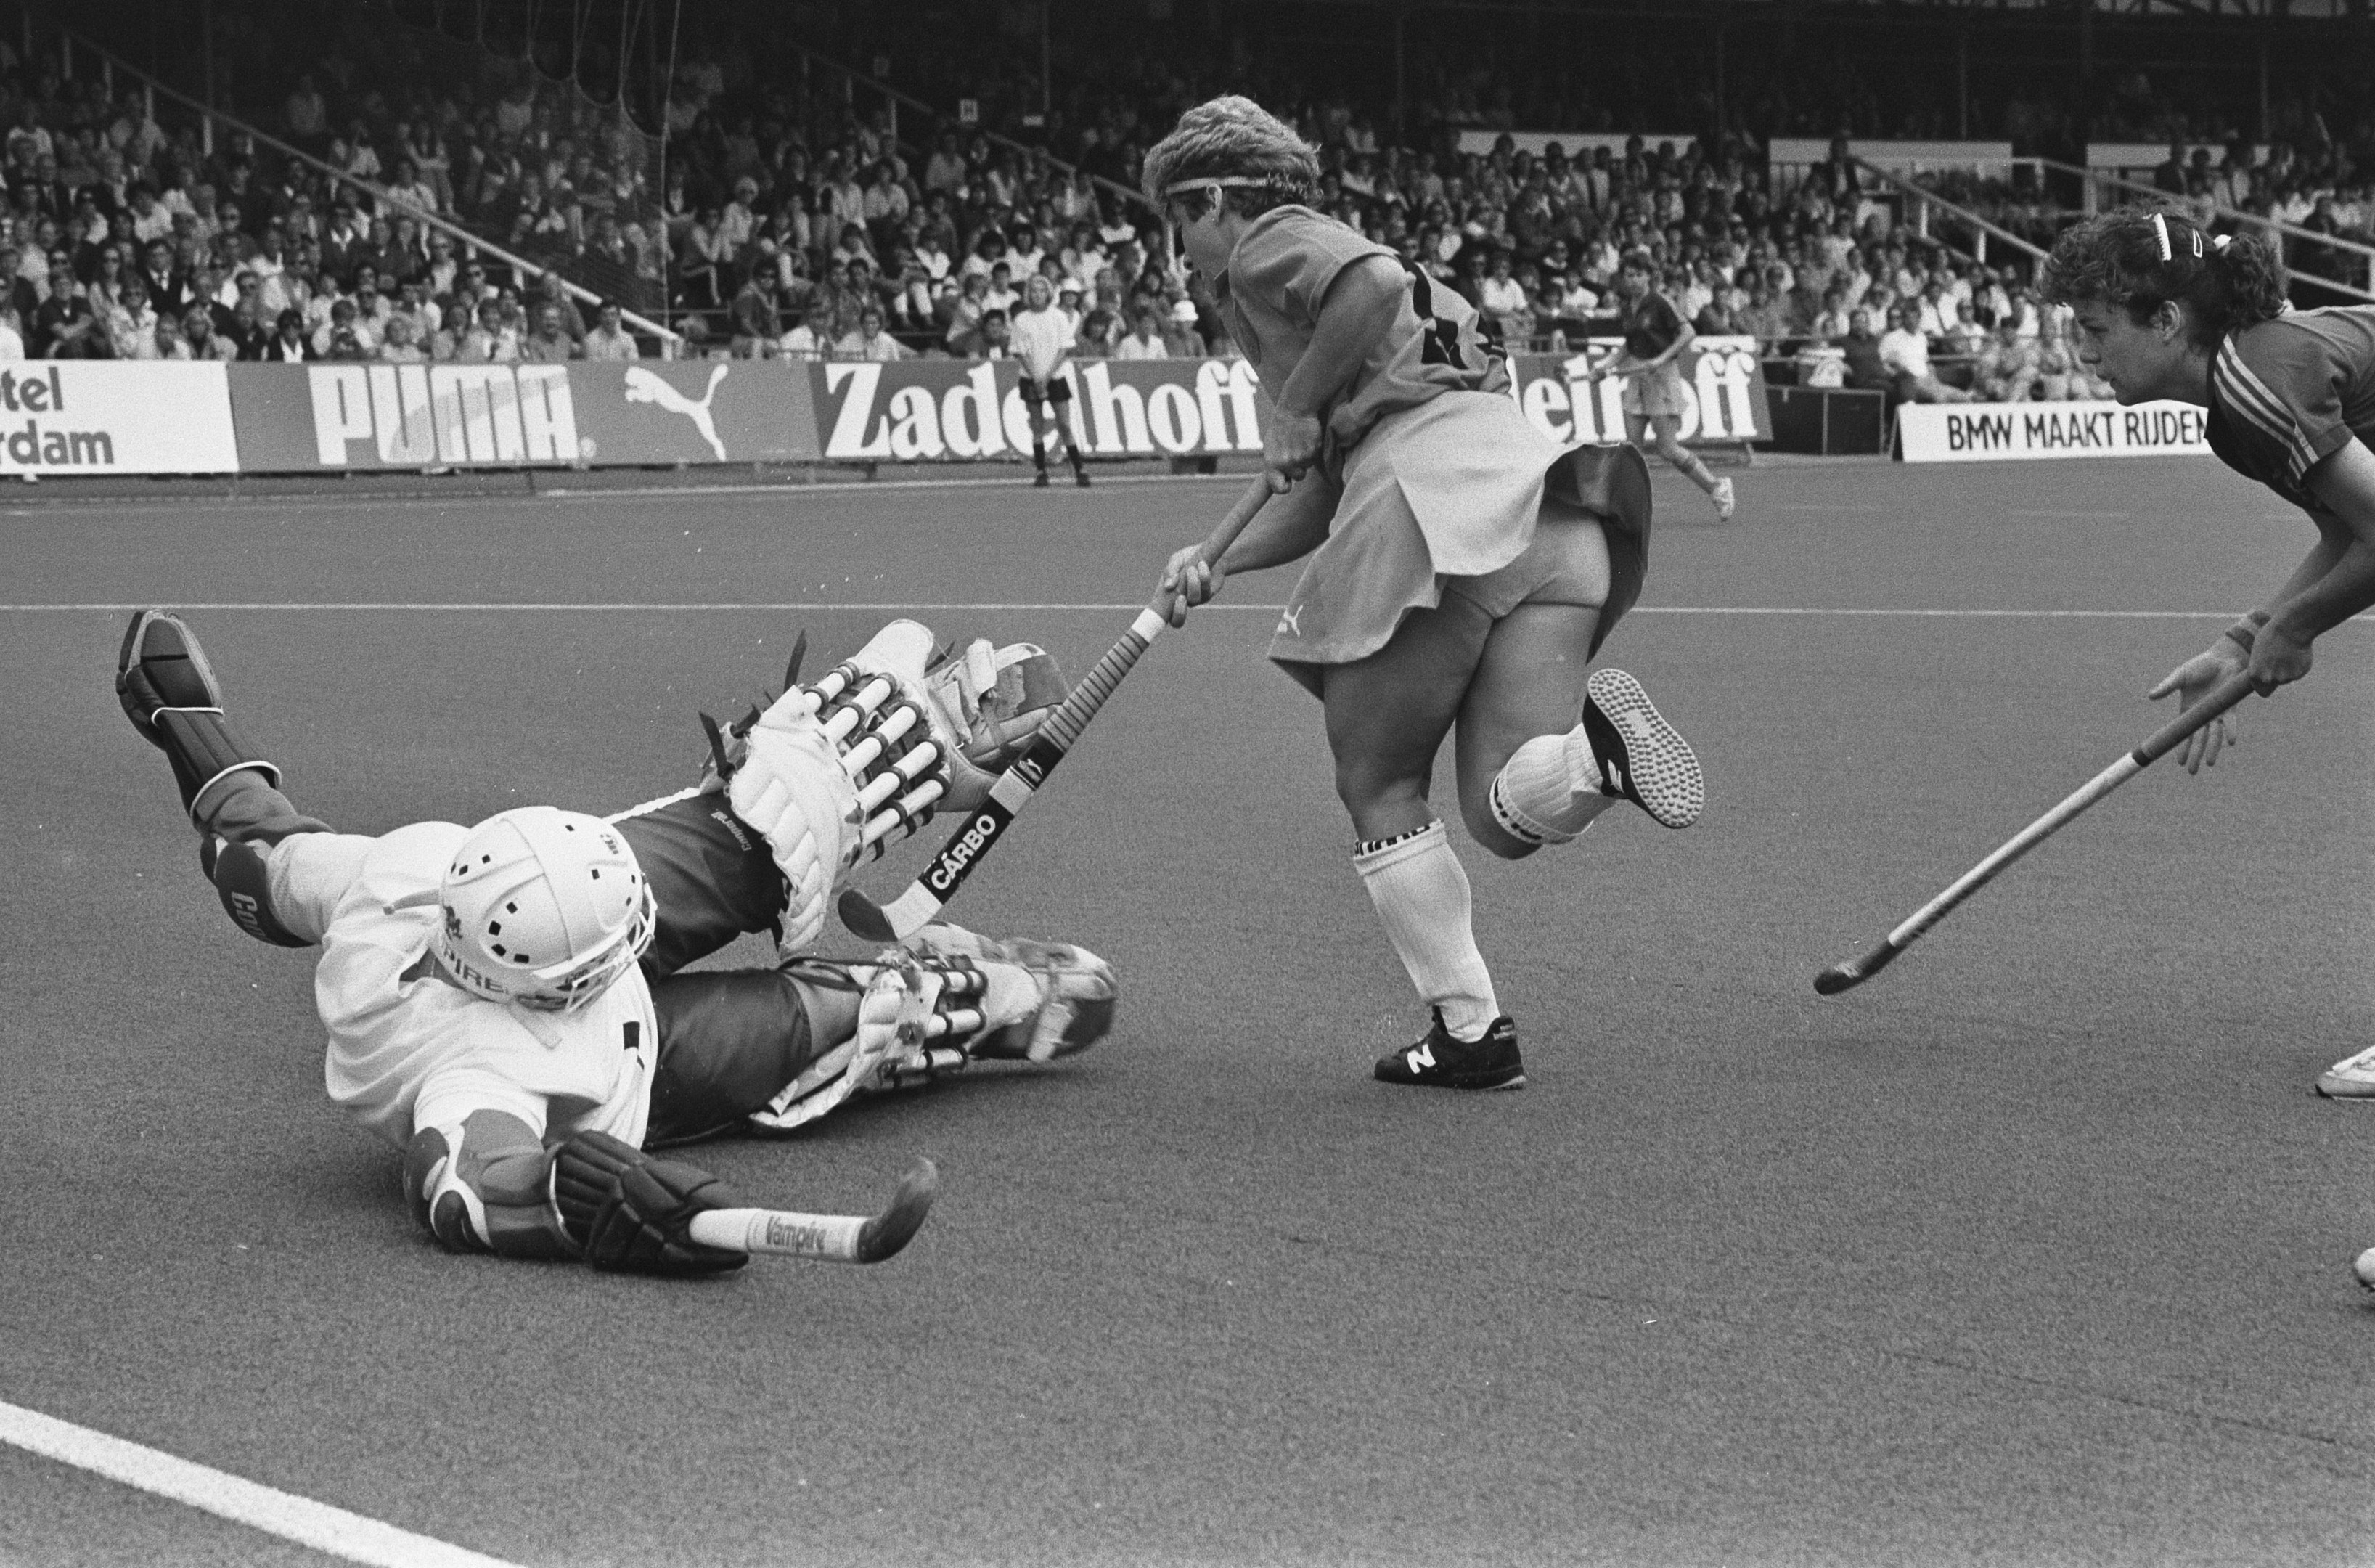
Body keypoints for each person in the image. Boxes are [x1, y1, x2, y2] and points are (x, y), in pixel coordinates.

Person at [115, 610, 1114, 1275]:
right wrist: (590, 1201)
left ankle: (903, 750)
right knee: (842, 1016)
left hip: (562, 899)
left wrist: (185, 720)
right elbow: (466, 1190)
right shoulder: (479, 1077)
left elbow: (257, 847)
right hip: (636, 1066)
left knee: (763, 817)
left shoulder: (415, 872)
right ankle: (978, 1007)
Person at [1145, 96, 1703, 1091]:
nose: (1180, 252)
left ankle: (1469, 1032)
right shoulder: (1329, 295)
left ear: (1215, 200)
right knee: (1504, 811)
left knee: (1380, 786)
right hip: (1545, 508)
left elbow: (1368, 283)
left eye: (1176, 223)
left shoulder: (1273, 242)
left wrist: (1297, 405)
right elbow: (1324, 485)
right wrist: (1220, 559)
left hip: (1430, 509)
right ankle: (1593, 759)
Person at [2043, 208, 2375, 1119]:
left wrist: (2294, 626)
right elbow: (2352, 532)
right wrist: (2244, 638)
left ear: (2164, 321)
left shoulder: (2255, 384)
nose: (2083, 352)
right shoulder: (2241, 398)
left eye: (2095, 328)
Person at [1587, 249, 1736, 520]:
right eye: (1628, 275)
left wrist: (1661, 358)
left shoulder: (1661, 303)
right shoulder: (1627, 307)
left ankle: (1716, 487)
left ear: (1648, 276)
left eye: (1638, 275)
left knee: (1667, 449)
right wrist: (1604, 367)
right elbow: (1629, 345)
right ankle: (1629, 508)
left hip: (1662, 377)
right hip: (1637, 378)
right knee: (1631, 449)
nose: (1633, 280)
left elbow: (1688, 333)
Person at [1010, 274, 1090, 488]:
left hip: (1055, 377)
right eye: (1034, 291)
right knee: (1037, 425)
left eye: (1041, 291)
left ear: (1048, 294)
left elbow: (1064, 349)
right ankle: (1041, 471)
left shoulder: (1058, 317)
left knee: (1064, 424)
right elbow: (1020, 352)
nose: (1037, 295)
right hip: (1030, 378)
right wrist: (1036, 376)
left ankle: (1079, 469)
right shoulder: (1021, 320)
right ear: (1028, 294)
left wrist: (1046, 376)